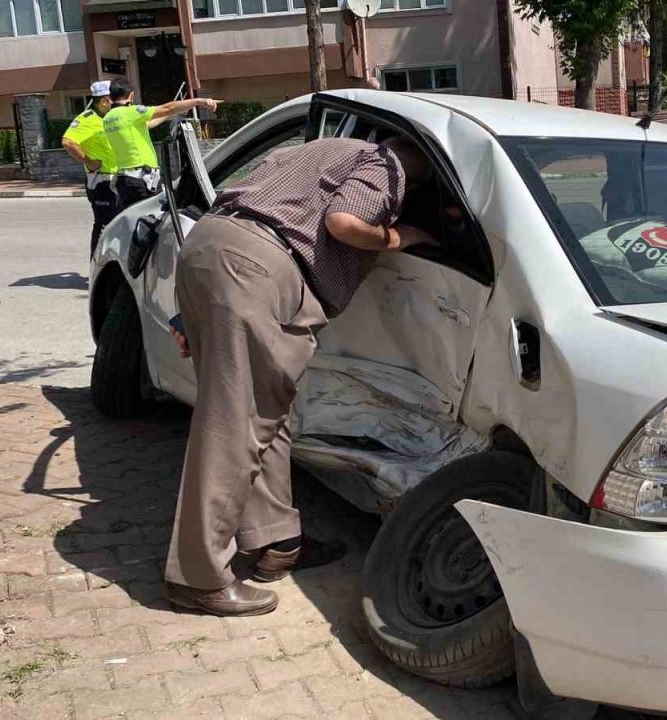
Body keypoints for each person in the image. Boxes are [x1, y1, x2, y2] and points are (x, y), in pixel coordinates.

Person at [162, 134, 438, 616]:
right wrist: (400, 237)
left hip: (209, 247)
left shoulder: (310, 150)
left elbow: (241, 213)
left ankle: (276, 542)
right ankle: (197, 575)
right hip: (258, 269)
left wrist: (193, 311)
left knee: (266, 415)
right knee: (237, 425)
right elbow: (344, 222)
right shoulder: (388, 162)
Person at [102, 78, 221, 208]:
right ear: (131, 95)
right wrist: (198, 101)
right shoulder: (130, 112)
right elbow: (167, 108)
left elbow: (148, 124)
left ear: (111, 97)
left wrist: (176, 111)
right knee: (151, 220)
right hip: (140, 179)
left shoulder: (108, 118)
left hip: (125, 180)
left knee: (136, 219)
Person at [61, 81, 121, 257]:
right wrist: (88, 161)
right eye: (113, 99)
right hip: (101, 181)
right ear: (104, 101)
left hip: (117, 178)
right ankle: (96, 268)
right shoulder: (87, 119)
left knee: (120, 223)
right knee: (103, 224)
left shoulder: (110, 118)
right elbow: (68, 142)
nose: (115, 103)